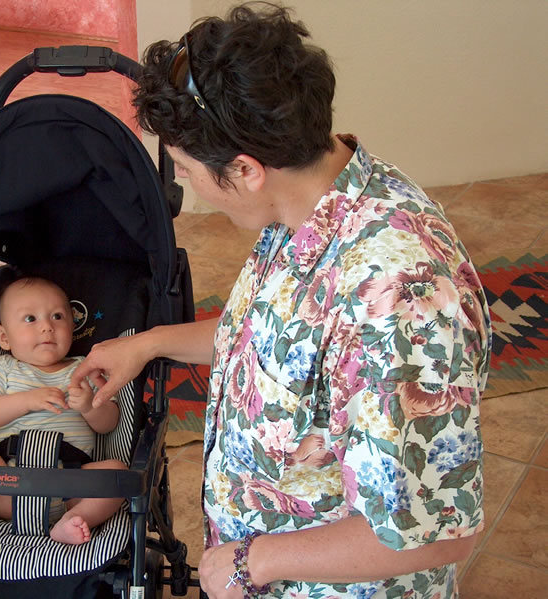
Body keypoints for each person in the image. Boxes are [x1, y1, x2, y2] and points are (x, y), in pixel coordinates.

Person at [71, 2, 490, 596]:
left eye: (186, 170)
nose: (184, 184)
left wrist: (254, 561)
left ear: (244, 170)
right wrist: (147, 345)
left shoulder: (396, 304)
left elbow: (435, 531)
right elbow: (269, 339)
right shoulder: (307, 199)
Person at [0, 275, 127, 545]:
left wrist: (88, 406)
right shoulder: (2, 368)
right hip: (6, 478)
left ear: (73, 327)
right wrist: (26, 401)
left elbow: (109, 423)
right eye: (30, 319)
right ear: (4, 337)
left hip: (70, 480)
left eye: (58, 316)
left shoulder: (85, 369)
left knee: (117, 473)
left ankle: (71, 521)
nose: (47, 327)